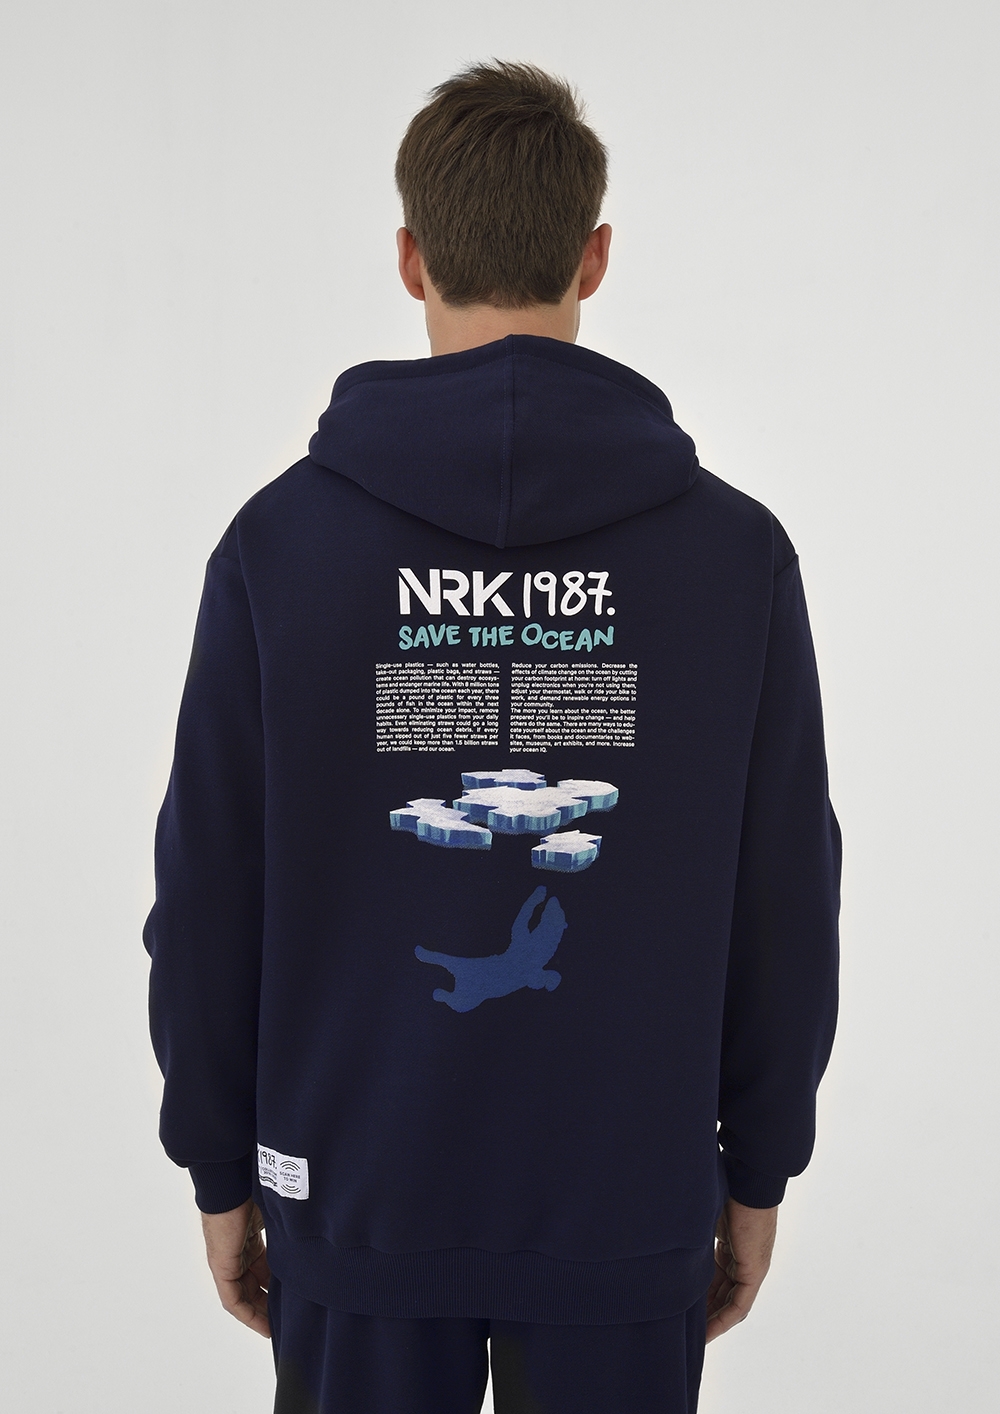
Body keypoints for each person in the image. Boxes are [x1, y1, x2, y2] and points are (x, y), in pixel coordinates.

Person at [144, 60, 840, 1414]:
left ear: (411, 257)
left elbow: (207, 890)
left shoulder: (281, 548)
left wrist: (219, 1166)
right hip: (627, 1198)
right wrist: (758, 1168)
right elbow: (787, 901)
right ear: (595, 256)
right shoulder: (733, 557)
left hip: (355, 1190)